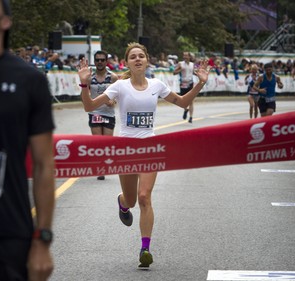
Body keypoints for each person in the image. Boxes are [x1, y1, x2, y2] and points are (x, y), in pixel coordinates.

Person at [77, 42, 209, 268]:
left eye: (141, 56)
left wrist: (200, 83)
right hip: (126, 150)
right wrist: (84, 84)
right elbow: (89, 107)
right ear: (127, 62)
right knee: (131, 200)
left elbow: (183, 102)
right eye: (133, 57)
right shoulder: (119, 86)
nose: (137, 59)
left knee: (144, 196)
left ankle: (145, 248)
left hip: (150, 148)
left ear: (147, 60)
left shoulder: (157, 85)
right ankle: (122, 202)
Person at [0, 0, 55, 280]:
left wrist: (42, 240)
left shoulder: (29, 80)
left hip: (8, 232)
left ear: (5, 21)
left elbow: (43, 165)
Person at [86, 50, 118, 180]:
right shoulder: (89, 78)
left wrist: (113, 101)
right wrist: (88, 99)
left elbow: (117, 95)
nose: (99, 62)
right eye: (97, 60)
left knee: (107, 143)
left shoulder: (113, 77)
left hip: (108, 114)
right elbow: (85, 94)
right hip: (95, 113)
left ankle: (104, 163)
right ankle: (101, 168)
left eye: (102, 60)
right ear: (94, 62)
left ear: (106, 62)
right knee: (98, 141)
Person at [173, 51, 196, 123]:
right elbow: (174, 72)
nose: (185, 57)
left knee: (191, 101)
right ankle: (186, 109)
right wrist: (180, 70)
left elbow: (194, 72)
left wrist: (199, 74)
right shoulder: (181, 63)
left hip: (190, 83)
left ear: (189, 57)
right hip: (183, 84)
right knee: (184, 100)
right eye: (184, 56)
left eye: (186, 56)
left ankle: (191, 117)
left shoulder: (192, 64)